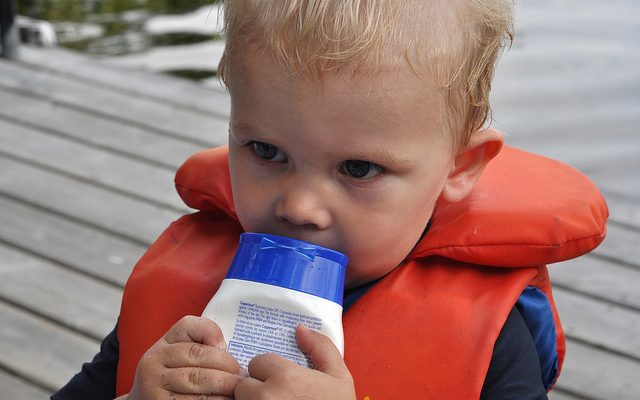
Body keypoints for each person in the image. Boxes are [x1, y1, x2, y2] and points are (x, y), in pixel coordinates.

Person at [52, 0, 608, 399]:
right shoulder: (181, 291)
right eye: (266, 151)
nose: (300, 207)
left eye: (358, 168)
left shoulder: (492, 340)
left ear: (458, 168)